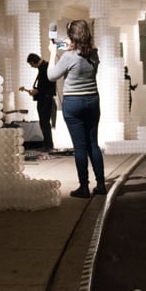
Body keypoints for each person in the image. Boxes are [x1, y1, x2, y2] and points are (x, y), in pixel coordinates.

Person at [48, 20, 106, 199]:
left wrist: (52, 53)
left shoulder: (68, 56)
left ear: (72, 36)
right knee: (93, 144)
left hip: (74, 103)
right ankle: (101, 184)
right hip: (93, 101)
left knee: (80, 147)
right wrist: (67, 45)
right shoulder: (94, 54)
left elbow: (51, 76)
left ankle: (84, 187)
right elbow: (80, 53)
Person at [25, 53, 57, 152]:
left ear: (33, 62)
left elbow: (46, 84)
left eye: (31, 64)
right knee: (44, 123)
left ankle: (48, 145)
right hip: (45, 98)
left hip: (45, 99)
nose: (31, 66)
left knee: (44, 123)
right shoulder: (45, 67)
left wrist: (37, 91)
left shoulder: (45, 68)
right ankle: (48, 144)